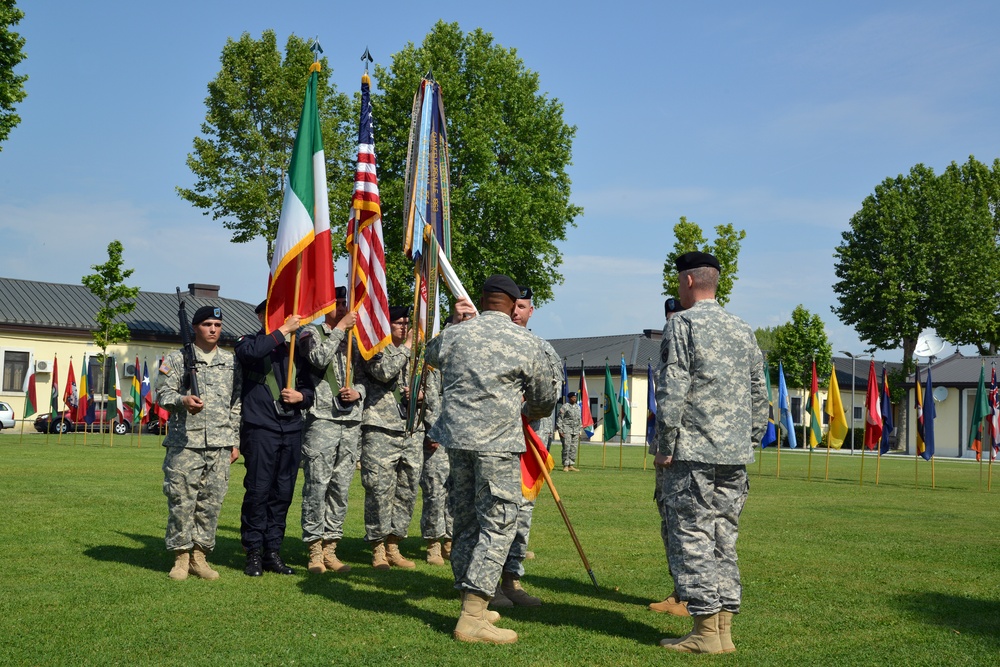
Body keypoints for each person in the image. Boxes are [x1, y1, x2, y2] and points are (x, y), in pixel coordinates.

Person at [425, 275, 562, 644]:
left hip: (457, 443)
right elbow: (545, 399)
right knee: (499, 523)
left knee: (467, 523)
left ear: (483, 300)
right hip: (497, 444)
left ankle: (473, 605)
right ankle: (472, 618)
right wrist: (528, 410)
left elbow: (429, 354)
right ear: (513, 302)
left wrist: (458, 323)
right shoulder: (525, 341)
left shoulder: (455, 335)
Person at [654, 252, 767, 654]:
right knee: (724, 537)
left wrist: (664, 446)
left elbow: (672, 389)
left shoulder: (682, 324)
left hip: (693, 452)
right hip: (734, 454)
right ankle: (723, 633)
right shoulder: (742, 329)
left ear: (687, 282)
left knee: (693, 536)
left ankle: (704, 633)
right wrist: (750, 440)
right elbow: (759, 392)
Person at [156, 305, 241, 581]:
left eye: (217, 324)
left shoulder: (231, 361)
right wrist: (182, 400)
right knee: (182, 501)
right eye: (207, 324)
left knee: (211, 503)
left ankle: (199, 556)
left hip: (219, 444)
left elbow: (236, 403)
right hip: (185, 444)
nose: (213, 329)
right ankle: (181, 558)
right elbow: (162, 393)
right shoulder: (177, 359)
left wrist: (234, 440)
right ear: (195, 328)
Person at [236, 301, 314, 577]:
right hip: (261, 428)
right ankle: (253, 552)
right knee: (258, 491)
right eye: (273, 314)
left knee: (283, 493)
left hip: (291, 429)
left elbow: (309, 387)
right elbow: (251, 355)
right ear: (261, 316)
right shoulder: (250, 341)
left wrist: (301, 397)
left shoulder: (296, 350)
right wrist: (282, 331)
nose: (282, 318)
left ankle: (272, 551)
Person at [491, 285, 550, 609]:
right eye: (514, 305)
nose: (517, 312)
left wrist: (523, 408)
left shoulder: (539, 348)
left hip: (525, 447)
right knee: (492, 517)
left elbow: (549, 393)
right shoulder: (490, 344)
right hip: (492, 446)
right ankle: (487, 586)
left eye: (523, 307)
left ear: (530, 311)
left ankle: (512, 580)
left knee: (521, 518)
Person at [299, 287, 362, 574]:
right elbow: (317, 360)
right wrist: (339, 329)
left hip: (350, 422)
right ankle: (314, 549)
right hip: (322, 419)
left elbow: (366, 377)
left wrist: (358, 392)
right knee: (317, 485)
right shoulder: (312, 333)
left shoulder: (357, 340)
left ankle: (331, 548)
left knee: (340, 488)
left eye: (344, 304)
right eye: (336, 303)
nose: (341, 308)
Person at [356, 306, 423, 569]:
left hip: (412, 429)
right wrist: (407, 346)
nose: (404, 327)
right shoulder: (375, 348)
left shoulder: (419, 354)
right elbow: (383, 373)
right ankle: (377, 546)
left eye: (408, 323)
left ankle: (394, 544)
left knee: (406, 491)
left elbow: (432, 384)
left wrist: (420, 395)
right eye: (398, 323)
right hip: (381, 428)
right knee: (379, 490)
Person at [649, 296, 688, 615]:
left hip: (679, 450)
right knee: (669, 520)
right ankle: (680, 590)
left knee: (684, 522)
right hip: (668, 446)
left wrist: (666, 447)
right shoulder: (668, 349)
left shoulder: (686, 350)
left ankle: (687, 595)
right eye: (669, 317)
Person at [417, 366, 451, 565]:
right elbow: (431, 402)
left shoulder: (462, 367)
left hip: (460, 440)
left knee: (455, 495)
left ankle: (450, 541)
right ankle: (433, 544)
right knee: (435, 492)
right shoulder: (433, 370)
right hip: (438, 439)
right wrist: (434, 430)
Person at [557, 392, 582, 472]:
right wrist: (560, 430)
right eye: (573, 397)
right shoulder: (565, 407)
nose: (574, 399)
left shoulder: (578, 407)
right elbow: (560, 419)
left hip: (575, 431)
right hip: (566, 430)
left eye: (575, 397)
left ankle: (571, 464)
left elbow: (579, 419)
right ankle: (565, 465)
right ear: (569, 398)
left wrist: (579, 431)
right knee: (566, 447)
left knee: (573, 448)